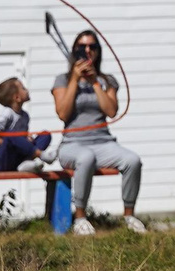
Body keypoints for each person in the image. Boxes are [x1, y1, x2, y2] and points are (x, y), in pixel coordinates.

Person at [52, 32, 145, 233]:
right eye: (81, 47)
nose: (87, 51)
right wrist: (76, 79)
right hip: (72, 145)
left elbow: (111, 111)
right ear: (74, 51)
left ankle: (129, 216)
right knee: (86, 157)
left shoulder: (106, 80)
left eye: (92, 47)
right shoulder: (63, 80)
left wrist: (95, 82)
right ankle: (80, 218)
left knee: (133, 161)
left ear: (98, 52)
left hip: (103, 142)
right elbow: (62, 113)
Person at [0, 78, 53, 175]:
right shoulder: (6, 113)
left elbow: (22, 137)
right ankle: (40, 154)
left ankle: (25, 163)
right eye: (23, 88)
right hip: (2, 160)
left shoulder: (25, 116)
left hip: (17, 158)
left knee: (45, 135)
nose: (27, 90)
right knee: (11, 135)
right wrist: (13, 142)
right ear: (17, 98)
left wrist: (25, 140)